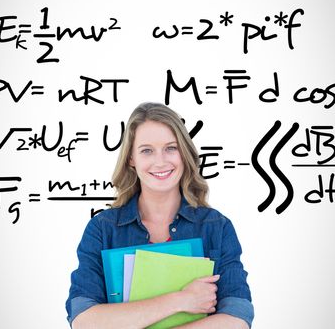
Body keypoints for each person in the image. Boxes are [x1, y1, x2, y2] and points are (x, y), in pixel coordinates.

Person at [66, 102, 254, 328]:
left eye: (171, 148)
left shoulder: (216, 226)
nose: (160, 161)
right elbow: (84, 321)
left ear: (183, 153)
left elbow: (237, 319)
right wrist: (182, 300)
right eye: (147, 150)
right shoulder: (103, 228)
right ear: (131, 159)